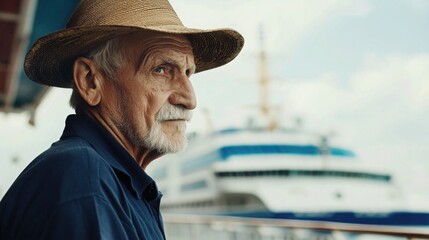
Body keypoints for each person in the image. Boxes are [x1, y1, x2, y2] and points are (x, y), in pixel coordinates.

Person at [0, 0, 244, 239]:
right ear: (89, 81)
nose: (189, 99)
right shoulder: (84, 175)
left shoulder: (112, 180)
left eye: (188, 73)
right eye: (161, 69)